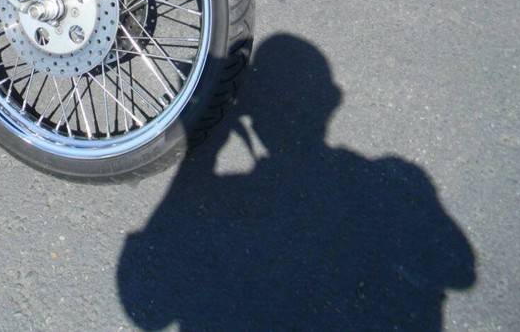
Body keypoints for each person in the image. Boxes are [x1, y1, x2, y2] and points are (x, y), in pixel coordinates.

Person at [118, 33, 476, 330]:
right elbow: (460, 270)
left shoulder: (233, 197)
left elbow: (146, 307)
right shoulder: (399, 180)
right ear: (333, 101)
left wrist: (209, 145)